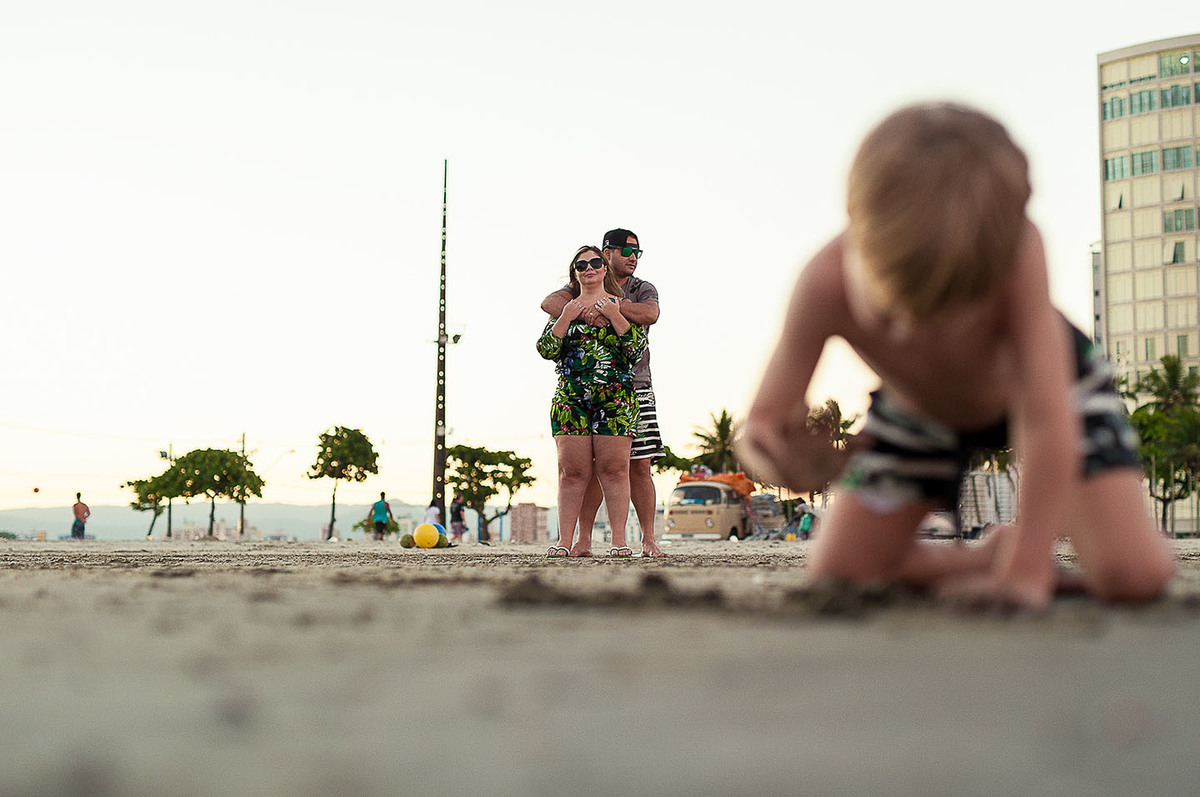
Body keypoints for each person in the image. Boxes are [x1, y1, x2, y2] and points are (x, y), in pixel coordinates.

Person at [737, 102, 1175, 613]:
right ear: (857, 232)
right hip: (918, 410)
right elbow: (761, 424)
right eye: (892, 316)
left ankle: (1029, 554)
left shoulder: (1019, 251)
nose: (920, 333)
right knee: (840, 571)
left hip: (1051, 392)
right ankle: (991, 552)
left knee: (1132, 577)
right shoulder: (823, 282)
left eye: (951, 312)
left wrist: (1028, 574)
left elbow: (1046, 419)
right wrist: (778, 459)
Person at [541, 228, 666, 557]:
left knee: (623, 468)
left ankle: (629, 541)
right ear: (575, 272)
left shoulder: (635, 295)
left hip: (622, 394)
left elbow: (640, 338)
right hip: (572, 398)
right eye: (582, 265)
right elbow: (546, 342)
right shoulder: (566, 302)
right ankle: (570, 542)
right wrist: (570, 315)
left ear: (603, 265)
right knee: (576, 471)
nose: (589, 268)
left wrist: (614, 313)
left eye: (595, 262)